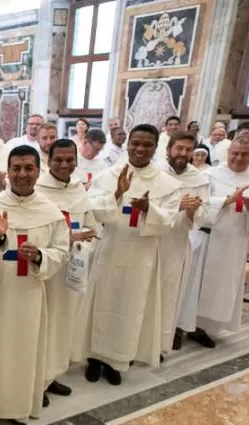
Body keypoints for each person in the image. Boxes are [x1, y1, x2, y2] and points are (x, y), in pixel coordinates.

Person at [72, 124, 181, 384]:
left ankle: (117, 361)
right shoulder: (107, 175)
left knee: (131, 307)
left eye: (147, 145)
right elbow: (92, 209)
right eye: (135, 143)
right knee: (102, 303)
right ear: (127, 143)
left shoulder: (167, 183)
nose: (140, 149)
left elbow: (170, 221)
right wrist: (118, 194)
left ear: (156, 148)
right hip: (109, 249)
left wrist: (147, 209)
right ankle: (94, 358)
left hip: (141, 256)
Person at [0, 146, 68, 425]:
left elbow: (61, 251)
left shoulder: (50, 212)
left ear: (38, 171)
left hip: (30, 294)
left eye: (28, 168)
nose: (22, 174)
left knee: (24, 350)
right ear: (8, 172)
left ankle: (18, 407)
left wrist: (39, 256)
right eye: (16, 168)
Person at [175, 135, 249, 346]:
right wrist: (225, 201)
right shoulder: (209, 175)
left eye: (244, 154)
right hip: (204, 238)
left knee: (217, 288)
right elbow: (196, 200)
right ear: (228, 152)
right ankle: (176, 327)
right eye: (235, 153)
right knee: (189, 284)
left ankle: (200, 327)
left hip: (232, 244)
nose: (238, 158)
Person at [35, 139, 96, 402]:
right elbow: (33, 233)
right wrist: (68, 239)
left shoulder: (78, 190)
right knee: (44, 324)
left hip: (71, 269)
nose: (63, 165)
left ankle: (54, 374)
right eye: (58, 159)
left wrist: (88, 239)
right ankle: (38, 381)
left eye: (69, 160)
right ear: (48, 160)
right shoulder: (37, 190)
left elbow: (91, 226)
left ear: (76, 161)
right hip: (45, 271)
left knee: (63, 324)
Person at [155, 133, 209, 353]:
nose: (183, 154)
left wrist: (194, 210)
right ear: (168, 149)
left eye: (188, 150)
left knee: (169, 294)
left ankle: (159, 345)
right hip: (153, 240)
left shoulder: (199, 179)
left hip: (177, 242)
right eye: (179, 148)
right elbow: (145, 206)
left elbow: (204, 213)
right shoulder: (154, 172)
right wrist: (175, 206)